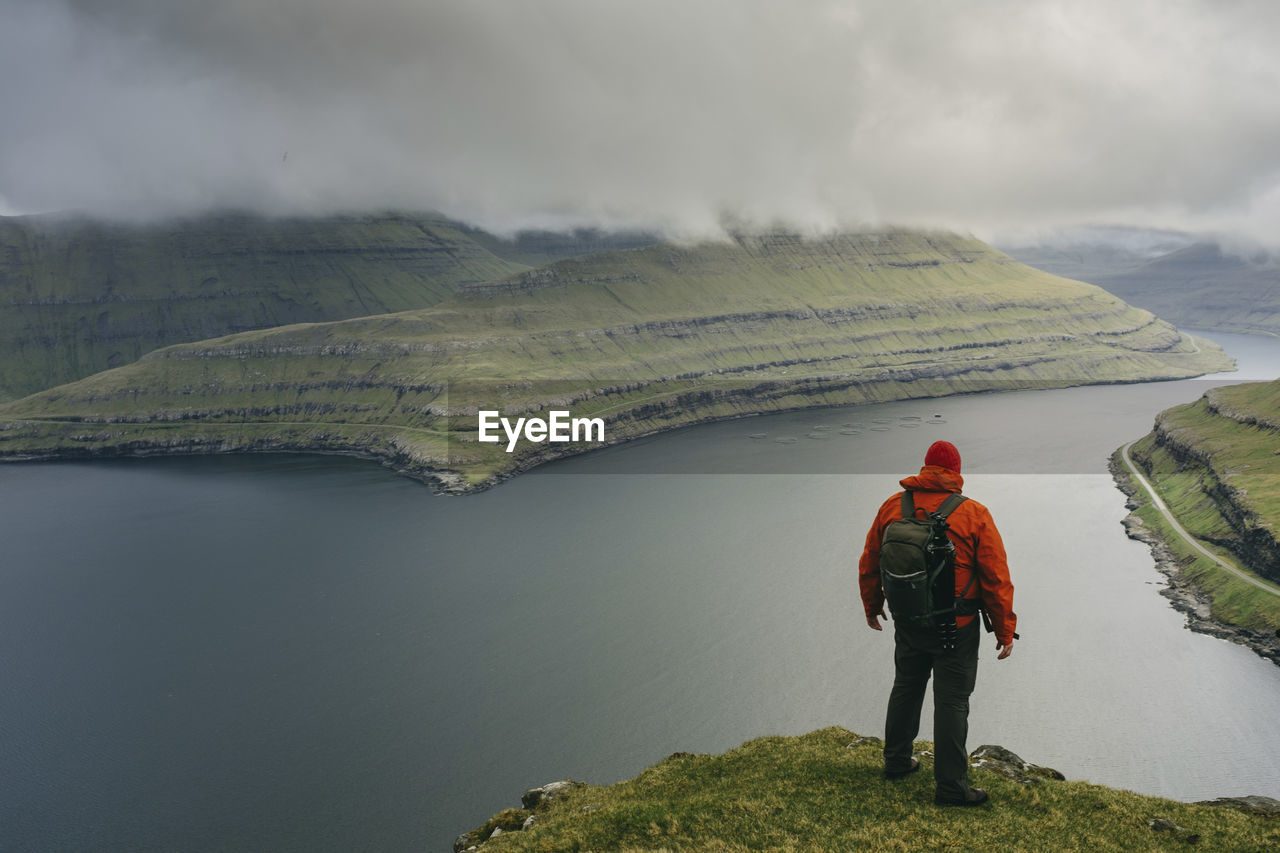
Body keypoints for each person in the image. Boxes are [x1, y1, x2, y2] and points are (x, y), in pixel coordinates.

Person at [858, 440, 1017, 806]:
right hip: (956, 627)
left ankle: (896, 761)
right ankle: (951, 788)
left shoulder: (892, 507)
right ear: (957, 473)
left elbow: (870, 560)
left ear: (925, 468)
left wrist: (872, 605)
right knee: (952, 702)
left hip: (909, 620)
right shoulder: (973, 513)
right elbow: (995, 577)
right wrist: (1004, 629)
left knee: (906, 687)